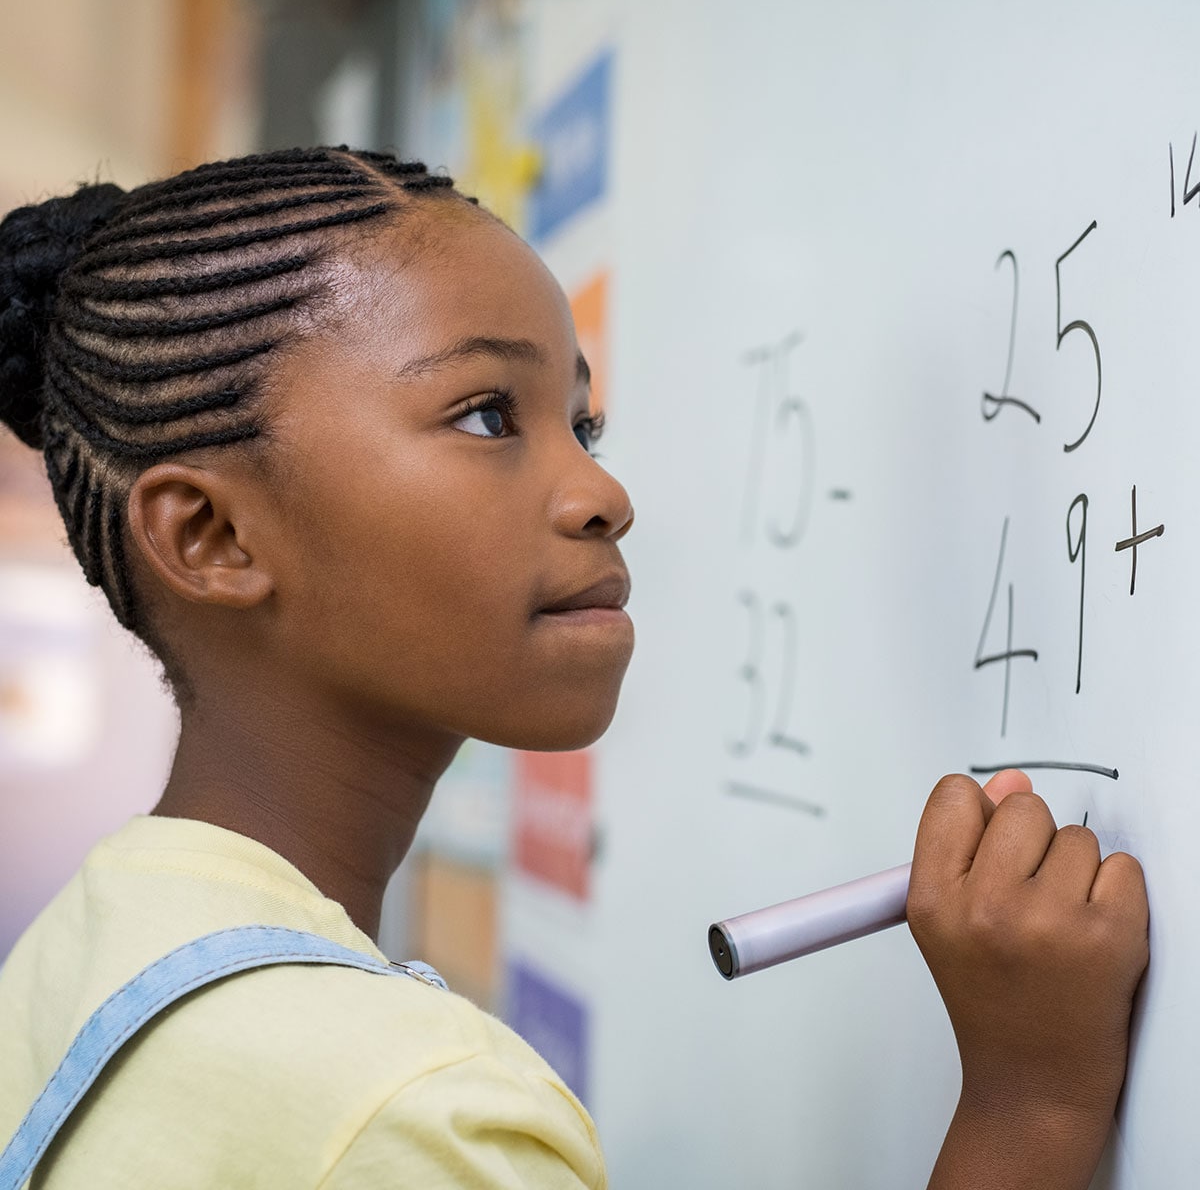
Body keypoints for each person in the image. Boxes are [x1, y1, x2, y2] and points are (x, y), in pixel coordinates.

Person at [0, 147, 1148, 1189]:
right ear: (212, 537)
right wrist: (1029, 1109)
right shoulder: (411, 1123)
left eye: (583, 427)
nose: (605, 495)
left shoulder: (85, 951)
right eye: (489, 417)